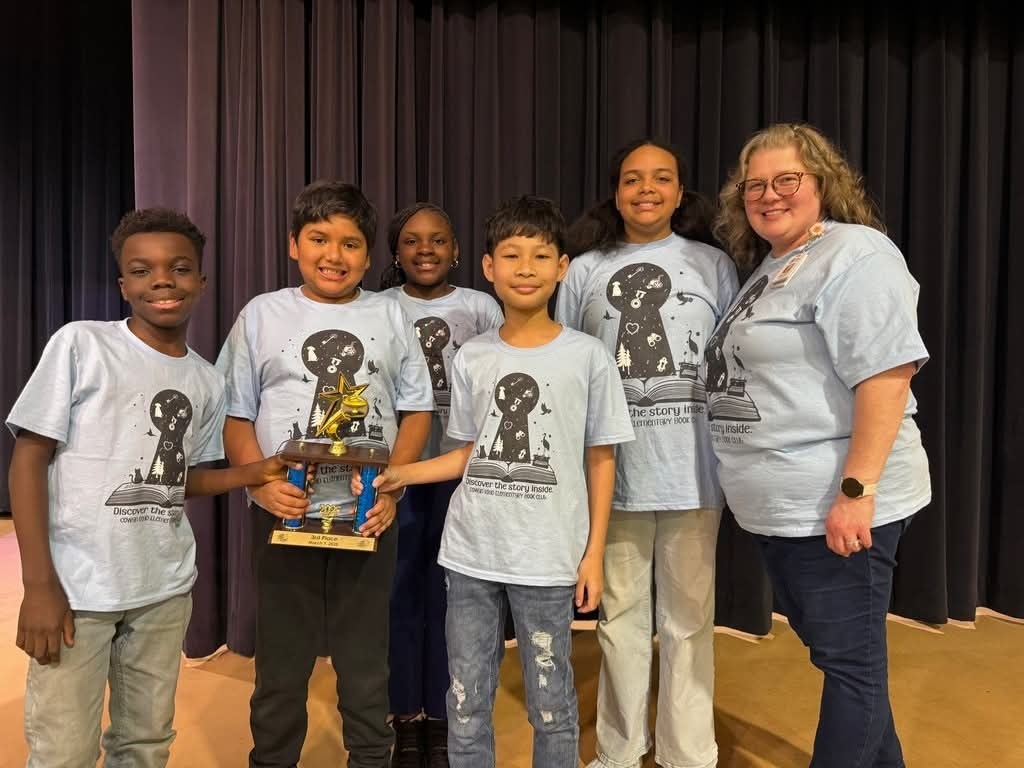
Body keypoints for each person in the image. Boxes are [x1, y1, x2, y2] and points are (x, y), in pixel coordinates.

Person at [355, 195, 634, 768]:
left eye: (540, 256)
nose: (525, 268)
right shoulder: (473, 357)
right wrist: (400, 474)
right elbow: (466, 454)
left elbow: (601, 459)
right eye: (511, 255)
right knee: (465, 701)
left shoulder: (588, 356)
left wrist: (594, 554)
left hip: (548, 558)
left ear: (562, 268)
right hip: (469, 555)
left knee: (551, 704)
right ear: (488, 267)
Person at [6, 208, 292, 768]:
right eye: (143, 270)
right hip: (76, 591)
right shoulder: (81, 345)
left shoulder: (206, 379)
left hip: (162, 589)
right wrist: (38, 584)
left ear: (201, 282)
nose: (163, 280)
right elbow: (28, 459)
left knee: (146, 742)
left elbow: (177, 480)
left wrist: (249, 473)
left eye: (180, 268)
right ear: (123, 284)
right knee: (64, 750)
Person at [709, 122, 931, 768]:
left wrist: (856, 492)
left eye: (787, 180)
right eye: (756, 185)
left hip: (841, 506)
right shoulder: (774, 266)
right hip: (785, 511)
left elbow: (886, 374)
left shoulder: (855, 254)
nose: (769, 195)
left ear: (823, 184)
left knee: (852, 674)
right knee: (847, 664)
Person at [216, 180, 434, 768]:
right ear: (293, 244)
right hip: (283, 511)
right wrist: (260, 485)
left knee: (366, 657)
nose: (334, 255)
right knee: (282, 657)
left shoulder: (390, 314)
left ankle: (369, 756)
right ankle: (273, 758)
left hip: (367, 514)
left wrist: (396, 483)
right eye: (319, 239)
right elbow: (235, 413)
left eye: (351, 243)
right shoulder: (262, 315)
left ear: (369, 255)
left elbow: (417, 410)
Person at [556, 139, 738, 768]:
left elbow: (731, 360)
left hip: (693, 473)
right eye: (633, 179)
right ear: (616, 192)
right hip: (614, 477)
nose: (646, 190)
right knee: (620, 620)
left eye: (661, 179)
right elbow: (567, 370)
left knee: (690, 621)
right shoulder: (583, 269)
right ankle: (618, 750)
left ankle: (689, 755)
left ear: (681, 192)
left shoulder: (712, 264)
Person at [379, 202, 503, 767]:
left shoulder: (480, 307)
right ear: (396, 251)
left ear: (456, 250)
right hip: (397, 474)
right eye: (411, 240)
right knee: (402, 591)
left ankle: (446, 710)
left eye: (437, 240)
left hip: (463, 473)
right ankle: (405, 713)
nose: (424, 250)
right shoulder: (379, 308)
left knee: (456, 597)